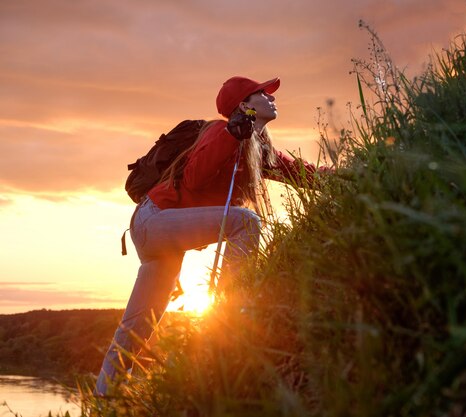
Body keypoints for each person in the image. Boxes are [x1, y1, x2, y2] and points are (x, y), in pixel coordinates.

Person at [95, 75, 328, 395]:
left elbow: (304, 174)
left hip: (164, 240)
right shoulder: (219, 132)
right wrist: (231, 135)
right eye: (263, 94)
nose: (272, 98)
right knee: (245, 222)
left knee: (138, 327)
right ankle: (232, 315)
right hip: (153, 222)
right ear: (244, 105)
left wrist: (355, 175)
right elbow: (193, 179)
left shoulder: (259, 150)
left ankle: (105, 399)